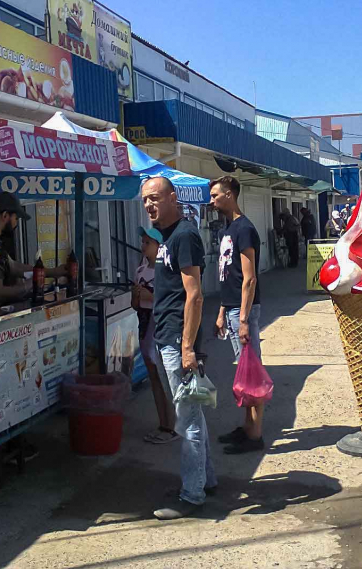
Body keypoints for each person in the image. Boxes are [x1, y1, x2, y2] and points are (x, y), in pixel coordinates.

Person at [142, 177, 215, 520]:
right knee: (193, 414)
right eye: (145, 201)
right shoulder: (168, 237)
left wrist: (187, 347)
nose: (149, 205)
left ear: (173, 198)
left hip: (177, 341)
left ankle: (192, 494)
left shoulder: (184, 235)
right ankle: (205, 481)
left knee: (187, 418)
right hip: (169, 336)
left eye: (155, 198)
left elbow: (195, 295)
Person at [210, 176, 266, 454]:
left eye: (215, 195)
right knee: (243, 372)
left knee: (251, 371)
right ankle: (246, 427)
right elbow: (227, 277)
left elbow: (249, 278)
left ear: (230, 195)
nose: (212, 201)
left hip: (243, 311)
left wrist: (242, 319)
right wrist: (222, 311)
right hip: (232, 309)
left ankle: (255, 435)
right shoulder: (228, 230)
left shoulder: (244, 229)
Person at [132, 227, 178, 445]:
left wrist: (149, 295)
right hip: (143, 326)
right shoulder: (140, 269)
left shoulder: (165, 271)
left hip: (159, 328)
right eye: (142, 242)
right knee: (154, 379)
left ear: (159, 246)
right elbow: (136, 305)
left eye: (148, 243)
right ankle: (163, 423)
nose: (143, 246)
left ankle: (172, 425)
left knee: (164, 377)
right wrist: (137, 296)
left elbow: (169, 301)